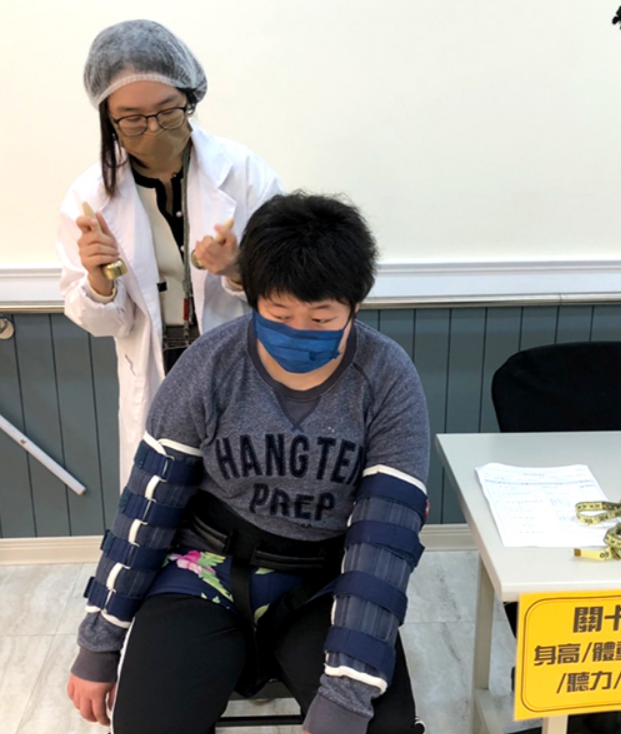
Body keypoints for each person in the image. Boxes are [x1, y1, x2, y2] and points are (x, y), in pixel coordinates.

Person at [66, 193, 431, 734]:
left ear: (355, 307)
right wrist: (99, 643)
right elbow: (147, 505)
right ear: (253, 298)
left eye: (322, 318)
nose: (300, 331)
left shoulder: (387, 378)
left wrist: (348, 694)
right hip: (205, 571)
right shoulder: (210, 365)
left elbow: (385, 542)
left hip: (322, 582)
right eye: (280, 316)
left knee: (379, 727)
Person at [56, 20, 283, 488]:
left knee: (243, 489)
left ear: (190, 98)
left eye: (167, 111)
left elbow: (289, 287)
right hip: (156, 373)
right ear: (108, 117)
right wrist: (99, 282)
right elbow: (102, 323)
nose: (154, 128)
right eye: (132, 118)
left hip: (238, 362)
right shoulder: (89, 197)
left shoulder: (244, 174)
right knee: (163, 495)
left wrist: (238, 271)